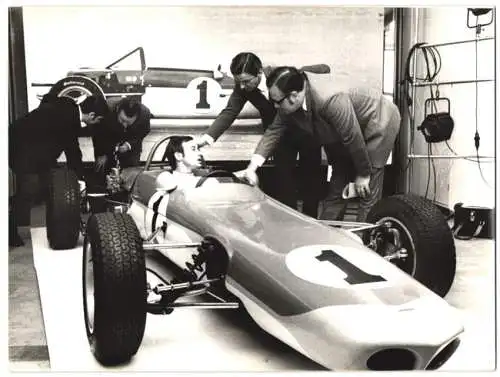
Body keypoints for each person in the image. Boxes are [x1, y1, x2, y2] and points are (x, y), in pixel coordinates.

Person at [236, 66, 401, 222]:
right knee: (338, 186)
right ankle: (328, 239)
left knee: (366, 190)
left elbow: (352, 136)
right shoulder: (289, 102)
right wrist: (252, 168)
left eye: (277, 102)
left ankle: (364, 243)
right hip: (341, 132)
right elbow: (273, 132)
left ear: (293, 96)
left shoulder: (330, 98)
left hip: (377, 120)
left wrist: (363, 174)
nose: (275, 106)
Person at [196, 52, 325, 218]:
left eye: (246, 81)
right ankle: (288, 221)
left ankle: (311, 222)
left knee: (311, 180)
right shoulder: (243, 87)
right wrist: (207, 138)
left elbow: (317, 72)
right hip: (278, 139)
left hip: (307, 134)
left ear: (259, 73)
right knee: (283, 182)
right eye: (238, 82)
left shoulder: (281, 76)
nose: (242, 86)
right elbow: (230, 111)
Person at [9, 95, 108, 246]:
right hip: (21, 148)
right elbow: (72, 152)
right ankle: (9, 231)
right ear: (92, 115)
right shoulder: (69, 118)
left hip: (34, 149)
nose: (95, 124)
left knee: (50, 184)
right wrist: (80, 178)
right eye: (97, 120)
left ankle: (56, 226)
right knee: (29, 189)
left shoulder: (68, 107)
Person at [93, 97, 151, 182]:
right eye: (122, 120)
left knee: (132, 175)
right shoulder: (106, 109)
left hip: (131, 142)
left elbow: (143, 132)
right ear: (117, 110)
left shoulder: (144, 114)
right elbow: (97, 133)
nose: (125, 126)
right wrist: (102, 153)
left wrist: (129, 144)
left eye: (129, 123)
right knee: (102, 170)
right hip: (108, 140)